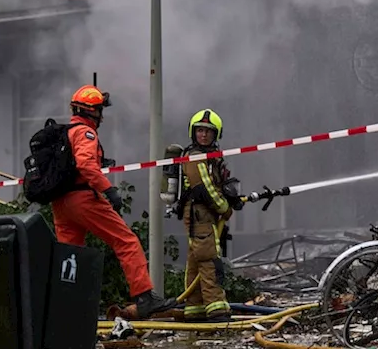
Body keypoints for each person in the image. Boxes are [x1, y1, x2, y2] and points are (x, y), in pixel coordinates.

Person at [52, 85, 174, 317]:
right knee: (126, 241)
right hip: (83, 199)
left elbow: (76, 163)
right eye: (99, 110)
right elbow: (85, 165)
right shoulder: (86, 133)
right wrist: (109, 190)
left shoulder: (65, 133)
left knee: (70, 256)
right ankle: (145, 297)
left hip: (61, 204)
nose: (101, 116)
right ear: (91, 111)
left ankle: (67, 309)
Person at [177, 108, 242, 322]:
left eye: (208, 131)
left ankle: (194, 308)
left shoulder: (211, 157)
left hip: (202, 213)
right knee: (209, 259)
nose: (203, 135)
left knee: (196, 259)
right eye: (200, 131)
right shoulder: (195, 157)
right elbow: (204, 188)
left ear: (216, 134)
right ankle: (216, 308)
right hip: (200, 213)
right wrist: (225, 208)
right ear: (192, 132)